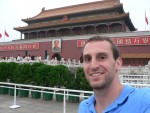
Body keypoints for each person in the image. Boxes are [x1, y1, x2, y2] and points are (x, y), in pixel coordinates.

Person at [78, 36, 150, 113]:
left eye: (102, 57)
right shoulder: (84, 107)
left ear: (118, 63)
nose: (93, 66)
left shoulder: (145, 101)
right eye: (88, 59)